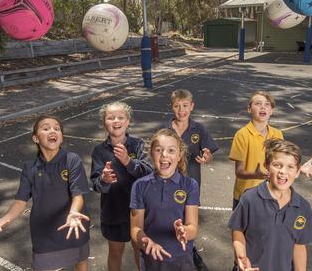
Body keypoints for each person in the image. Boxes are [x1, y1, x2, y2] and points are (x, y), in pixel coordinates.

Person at [0, 115, 90, 271]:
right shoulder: (30, 168)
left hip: (73, 224)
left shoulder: (72, 160)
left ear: (61, 137)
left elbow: (78, 195)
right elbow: (20, 201)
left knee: (81, 263)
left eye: (57, 128)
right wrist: (5, 219)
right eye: (46, 128)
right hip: (44, 232)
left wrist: (74, 213)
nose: (53, 130)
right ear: (36, 138)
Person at [229, 91, 312, 210]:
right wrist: (256, 174)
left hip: (271, 193)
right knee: (242, 228)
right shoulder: (242, 135)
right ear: (249, 109)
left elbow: (282, 162)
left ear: (271, 111)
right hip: (246, 195)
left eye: (267, 104)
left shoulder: (277, 134)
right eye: (258, 103)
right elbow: (239, 171)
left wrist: (299, 169)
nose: (263, 107)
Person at [228, 139, 312, 271]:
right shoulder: (250, 198)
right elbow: (238, 229)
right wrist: (240, 255)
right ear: (266, 166)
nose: (283, 172)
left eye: (290, 167)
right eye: (277, 165)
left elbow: (299, 245)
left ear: (297, 172)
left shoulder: (303, 207)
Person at [90, 101, 152, 271]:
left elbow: (149, 173)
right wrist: (104, 179)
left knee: (140, 250)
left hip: (139, 210)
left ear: (128, 121)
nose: (116, 121)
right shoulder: (99, 151)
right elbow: (95, 184)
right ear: (104, 123)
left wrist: (128, 162)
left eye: (120, 117)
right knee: (115, 251)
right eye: (110, 118)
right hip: (113, 209)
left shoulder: (138, 145)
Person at [163, 89, 217, 270]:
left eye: (185, 106)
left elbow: (208, 151)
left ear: (192, 106)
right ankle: (172, 253)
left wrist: (207, 157)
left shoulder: (199, 129)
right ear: (172, 107)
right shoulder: (165, 130)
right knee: (170, 220)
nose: (181, 110)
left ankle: (189, 252)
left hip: (191, 186)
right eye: (177, 106)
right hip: (168, 185)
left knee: (189, 222)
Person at [130, 129, 200, 271]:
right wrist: (144, 241)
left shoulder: (190, 185)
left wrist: (184, 231)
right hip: (151, 258)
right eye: (158, 150)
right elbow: (135, 228)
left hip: (182, 258)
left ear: (180, 155)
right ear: (151, 154)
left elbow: (193, 228)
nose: (164, 155)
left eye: (171, 150)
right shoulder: (140, 186)